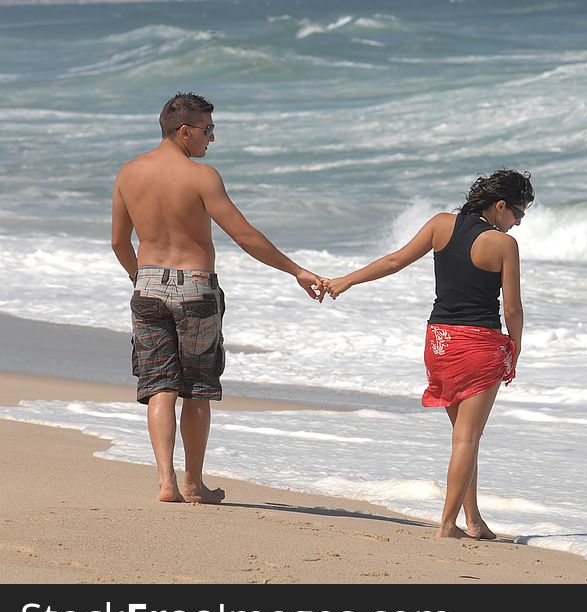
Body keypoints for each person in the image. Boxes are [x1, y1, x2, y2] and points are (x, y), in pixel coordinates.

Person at [111, 92, 325, 504]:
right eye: (208, 130)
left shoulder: (128, 173)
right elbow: (244, 236)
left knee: (158, 386)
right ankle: (193, 483)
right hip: (196, 287)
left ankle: (166, 483)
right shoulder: (202, 177)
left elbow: (119, 241)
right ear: (185, 131)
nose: (212, 139)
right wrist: (296, 269)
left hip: (148, 285)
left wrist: (143, 279)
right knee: (197, 387)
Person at [322, 169, 533, 538]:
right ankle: (448, 525)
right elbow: (513, 309)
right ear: (500, 206)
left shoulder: (440, 225)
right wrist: (513, 349)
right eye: (518, 213)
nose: (518, 223)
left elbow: (393, 261)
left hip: (439, 342)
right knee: (467, 439)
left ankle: (473, 520)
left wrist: (346, 280)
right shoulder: (503, 245)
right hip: (479, 346)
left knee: (463, 438)